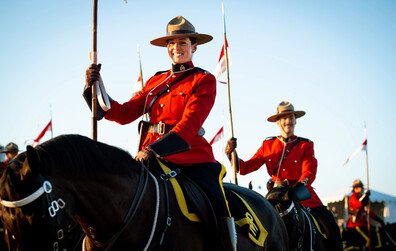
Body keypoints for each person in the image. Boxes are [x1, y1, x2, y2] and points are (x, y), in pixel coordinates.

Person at [84, 16, 236, 251]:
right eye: (172, 43)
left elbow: (188, 126)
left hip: (191, 158)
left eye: (182, 42)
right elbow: (124, 113)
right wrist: (93, 88)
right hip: (150, 159)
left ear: (194, 47)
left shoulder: (204, 79)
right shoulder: (156, 81)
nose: (177, 48)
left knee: (217, 202)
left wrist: (153, 149)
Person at [225, 101, 342, 250]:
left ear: (295, 120)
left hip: (301, 194)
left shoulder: (305, 145)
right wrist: (231, 154)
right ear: (278, 122)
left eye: (291, 117)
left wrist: (296, 191)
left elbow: (309, 172)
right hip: (276, 197)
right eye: (284, 118)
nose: (288, 121)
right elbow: (245, 168)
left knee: (330, 224)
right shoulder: (268, 145)